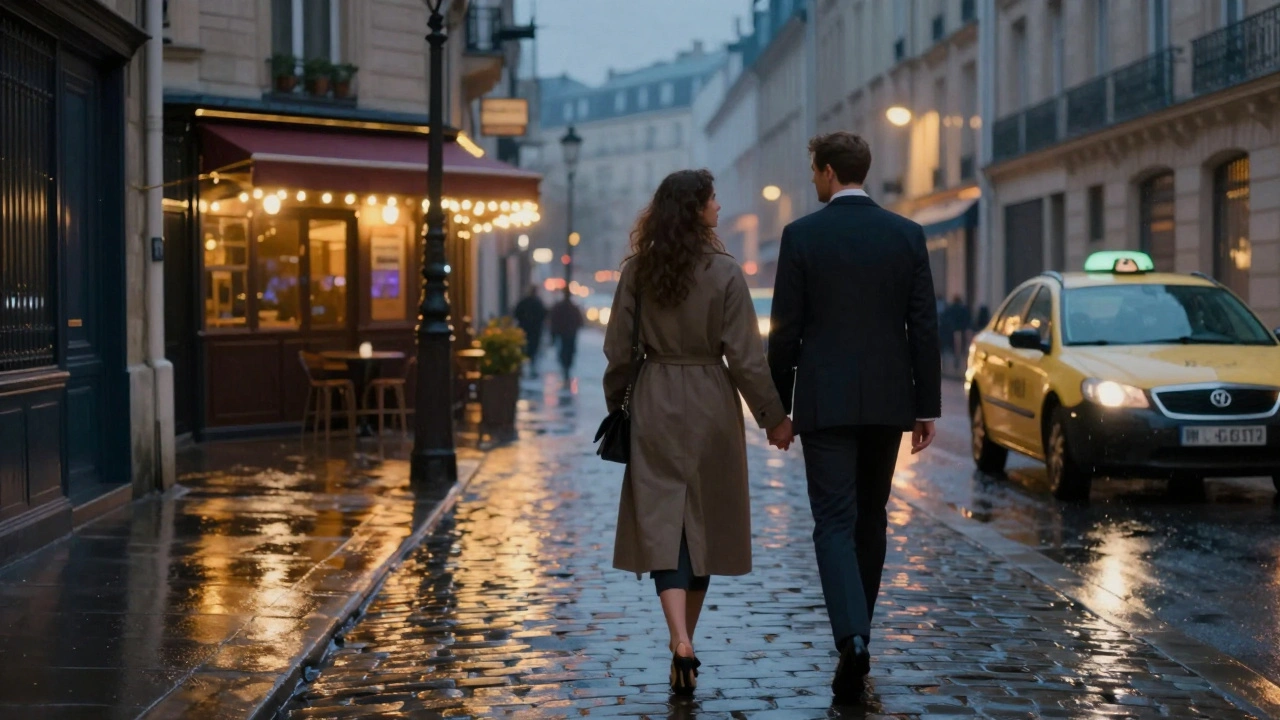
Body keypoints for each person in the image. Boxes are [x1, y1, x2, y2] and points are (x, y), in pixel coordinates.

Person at [603, 169, 792, 696]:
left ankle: (679, 638)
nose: (719, 207)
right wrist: (774, 417)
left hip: (654, 397)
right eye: (713, 201)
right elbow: (747, 358)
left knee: (663, 519)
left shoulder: (638, 270)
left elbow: (619, 351)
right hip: (711, 398)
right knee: (703, 523)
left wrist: (616, 400)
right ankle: (687, 637)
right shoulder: (726, 272)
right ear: (697, 209)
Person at [767, 132, 942, 700]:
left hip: (825, 403)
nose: (812, 180)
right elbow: (924, 326)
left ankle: (852, 640)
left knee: (834, 521)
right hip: (888, 401)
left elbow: (785, 332)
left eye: (814, 171)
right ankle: (859, 635)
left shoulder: (802, 236)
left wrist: (778, 409)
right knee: (872, 519)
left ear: (827, 172)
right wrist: (925, 407)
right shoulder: (907, 235)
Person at [549, 288, 584, 382]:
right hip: (570, 333)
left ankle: (565, 366)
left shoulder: (560, 306)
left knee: (564, 350)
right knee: (569, 350)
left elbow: (553, 319)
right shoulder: (573, 307)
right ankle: (566, 367)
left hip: (564, 332)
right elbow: (580, 321)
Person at [512, 285, 548, 377]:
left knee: (524, 349)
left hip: (526, 329)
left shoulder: (525, 302)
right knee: (532, 350)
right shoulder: (537, 303)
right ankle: (530, 369)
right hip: (534, 330)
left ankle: (523, 369)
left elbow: (516, 313)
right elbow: (543, 315)